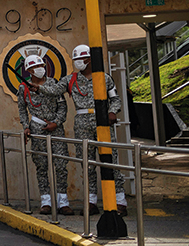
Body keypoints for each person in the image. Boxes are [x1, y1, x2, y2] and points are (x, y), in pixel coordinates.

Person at [35, 44, 127, 216]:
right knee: (87, 164)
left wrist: (112, 111)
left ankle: (120, 202)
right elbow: (55, 90)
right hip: (82, 123)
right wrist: (39, 88)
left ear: (89, 59)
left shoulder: (104, 78)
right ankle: (91, 202)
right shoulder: (70, 79)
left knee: (111, 162)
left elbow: (115, 99)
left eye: (81, 60)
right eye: (75, 60)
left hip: (102, 123)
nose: (78, 63)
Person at [17, 55, 72, 215]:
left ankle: (63, 202)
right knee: (41, 165)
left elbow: (62, 106)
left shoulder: (54, 84)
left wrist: (57, 122)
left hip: (56, 128)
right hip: (37, 129)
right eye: (36, 67)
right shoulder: (23, 88)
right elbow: (22, 108)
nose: (40, 68)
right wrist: (26, 126)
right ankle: (46, 201)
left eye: (42, 65)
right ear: (29, 71)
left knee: (61, 165)